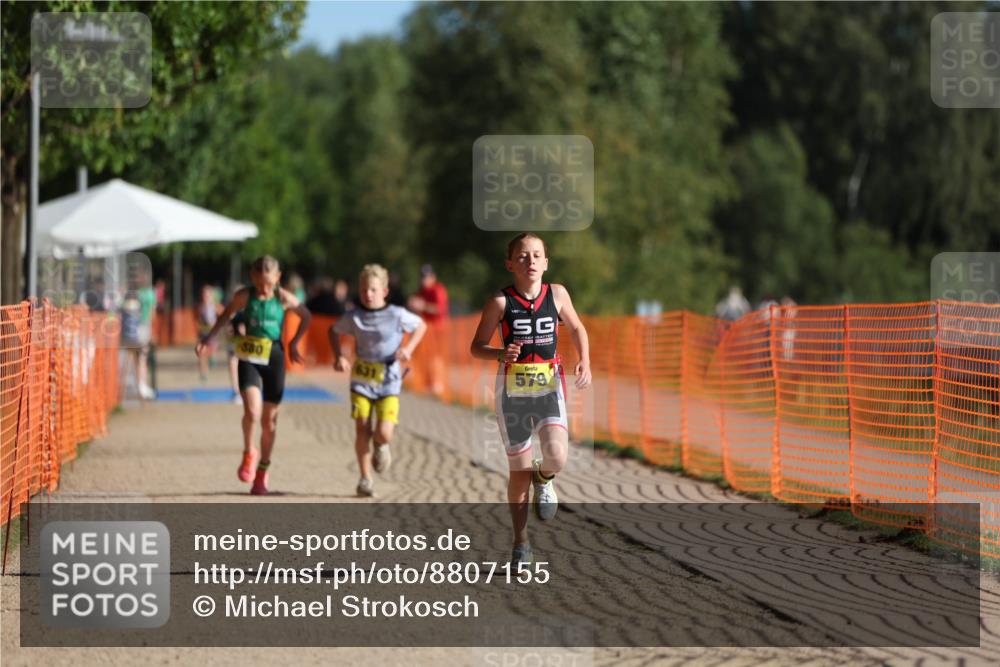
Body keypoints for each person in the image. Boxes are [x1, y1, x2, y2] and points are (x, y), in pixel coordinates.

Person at [469, 233, 591, 566]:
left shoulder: (558, 294)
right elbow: (476, 346)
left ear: (546, 263)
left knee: (558, 455)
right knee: (518, 471)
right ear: (510, 264)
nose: (531, 261)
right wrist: (498, 353)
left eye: (537, 255)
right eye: (523, 256)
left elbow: (578, 328)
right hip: (512, 391)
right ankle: (521, 543)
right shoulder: (500, 302)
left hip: (549, 386)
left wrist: (585, 360)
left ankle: (546, 477)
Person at [196, 256, 311, 495]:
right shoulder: (245, 296)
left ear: (277, 278)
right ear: (252, 277)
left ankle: (262, 471)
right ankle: (249, 451)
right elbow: (226, 314)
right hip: (248, 357)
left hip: (274, 357)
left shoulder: (283, 297)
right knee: (252, 411)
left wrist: (294, 343)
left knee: (269, 421)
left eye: (268, 283)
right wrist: (209, 339)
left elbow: (306, 316)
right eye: (259, 283)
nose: (264, 289)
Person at [329, 264, 427, 497]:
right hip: (361, 379)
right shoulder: (354, 316)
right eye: (364, 290)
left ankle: (381, 445)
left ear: (384, 291)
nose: (368, 294)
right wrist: (339, 356)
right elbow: (333, 331)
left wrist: (409, 348)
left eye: (373, 290)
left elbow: (421, 326)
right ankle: (365, 479)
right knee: (362, 428)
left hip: (389, 380)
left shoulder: (396, 313)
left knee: (383, 432)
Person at [408, 264, 450, 396]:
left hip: (437, 330)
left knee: (435, 358)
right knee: (425, 357)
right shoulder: (420, 291)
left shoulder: (438, 290)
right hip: (424, 331)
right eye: (422, 277)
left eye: (427, 277)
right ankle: (427, 384)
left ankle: (438, 384)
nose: (424, 279)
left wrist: (423, 305)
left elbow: (439, 309)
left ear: (433, 277)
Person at [196, 285, 219, 383]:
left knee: (212, 350)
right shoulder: (200, 306)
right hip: (203, 333)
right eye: (204, 294)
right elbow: (198, 319)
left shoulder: (215, 306)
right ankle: (203, 373)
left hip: (212, 333)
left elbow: (222, 315)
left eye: (207, 294)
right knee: (202, 353)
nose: (205, 296)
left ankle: (212, 358)